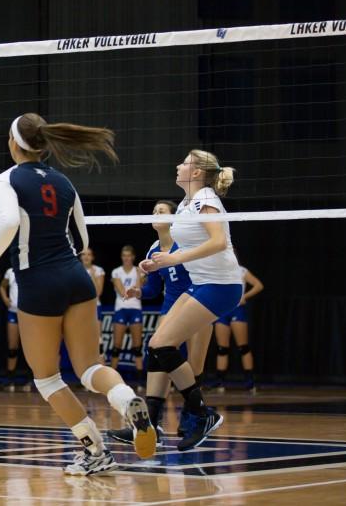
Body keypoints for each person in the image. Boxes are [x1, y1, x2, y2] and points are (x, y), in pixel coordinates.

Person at [0, 113, 155, 475]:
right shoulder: (63, 181)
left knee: (47, 378)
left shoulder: (6, 178)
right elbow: (83, 240)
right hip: (76, 276)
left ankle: (96, 453)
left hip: (37, 280)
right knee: (90, 366)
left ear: (14, 143)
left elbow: (10, 222)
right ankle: (128, 402)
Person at [140, 149, 243, 451]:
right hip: (201, 284)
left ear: (197, 172)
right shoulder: (186, 203)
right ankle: (185, 415)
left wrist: (176, 259)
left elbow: (218, 241)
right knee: (156, 345)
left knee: (163, 345)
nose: (178, 165)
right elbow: (191, 244)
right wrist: (161, 261)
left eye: (184, 162)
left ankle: (200, 413)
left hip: (221, 285)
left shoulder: (206, 199)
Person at [106, 200, 203, 447]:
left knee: (195, 366)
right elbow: (153, 289)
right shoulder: (152, 249)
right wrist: (138, 292)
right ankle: (152, 424)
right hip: (170, 306)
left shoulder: (187, 242)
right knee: (156, 352)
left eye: (161, 211)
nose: (155, 213)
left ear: (174, 217)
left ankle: (192, 418)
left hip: (198, 302)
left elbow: (204, 272)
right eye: (154, 211)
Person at [211, 264, 264, 393]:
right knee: (222, 348)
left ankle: (250, 382)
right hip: (222, 310)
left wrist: (244, 296)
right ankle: (220, 382)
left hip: (236, 310)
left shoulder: (241, 271)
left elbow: (258, 285)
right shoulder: (217, 270)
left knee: (243, 347)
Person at [109, 245, 144, 375]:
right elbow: (123, 292)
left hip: (135, 308)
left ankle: (141, 381)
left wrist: (139, 277)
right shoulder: (116, 272)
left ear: (133, 257)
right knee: (116, 346)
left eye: (129, 256)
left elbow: (139, 290)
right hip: (121, 308)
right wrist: (134, 289)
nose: (127, 258)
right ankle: (112, 377)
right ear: (121, 257)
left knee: (137, 347)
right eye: (124, 255)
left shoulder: (138, 271)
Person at [0, 267, 24, 390]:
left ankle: (34, 378)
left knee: (31, 348)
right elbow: (2, 286)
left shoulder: (34, 266)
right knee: (12, 348)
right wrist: (5, 299)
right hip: (13, 311)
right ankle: (10, 379)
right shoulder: (10, 271)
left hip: (29, 313)